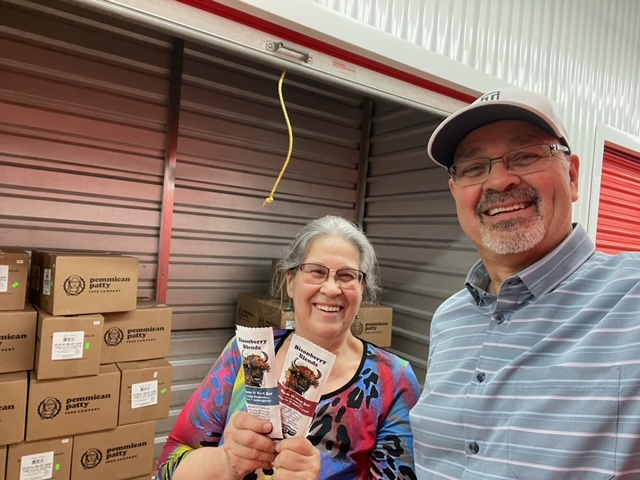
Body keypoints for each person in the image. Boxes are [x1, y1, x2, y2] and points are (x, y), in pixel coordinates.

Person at [410, 87, 640, 478]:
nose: (498, 181)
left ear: (572, 175)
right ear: (455, 193)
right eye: (473, 167)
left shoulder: (631, 296)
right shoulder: (449, 319)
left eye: (525, 155)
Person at [157, 214, 420, 480]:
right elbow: (169, 465)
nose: (331, 288)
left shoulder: (393, 380)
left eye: (347, 276)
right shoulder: (248, 353)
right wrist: (226, 462)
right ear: (290, 282)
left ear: (362, 288)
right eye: (317, 271)